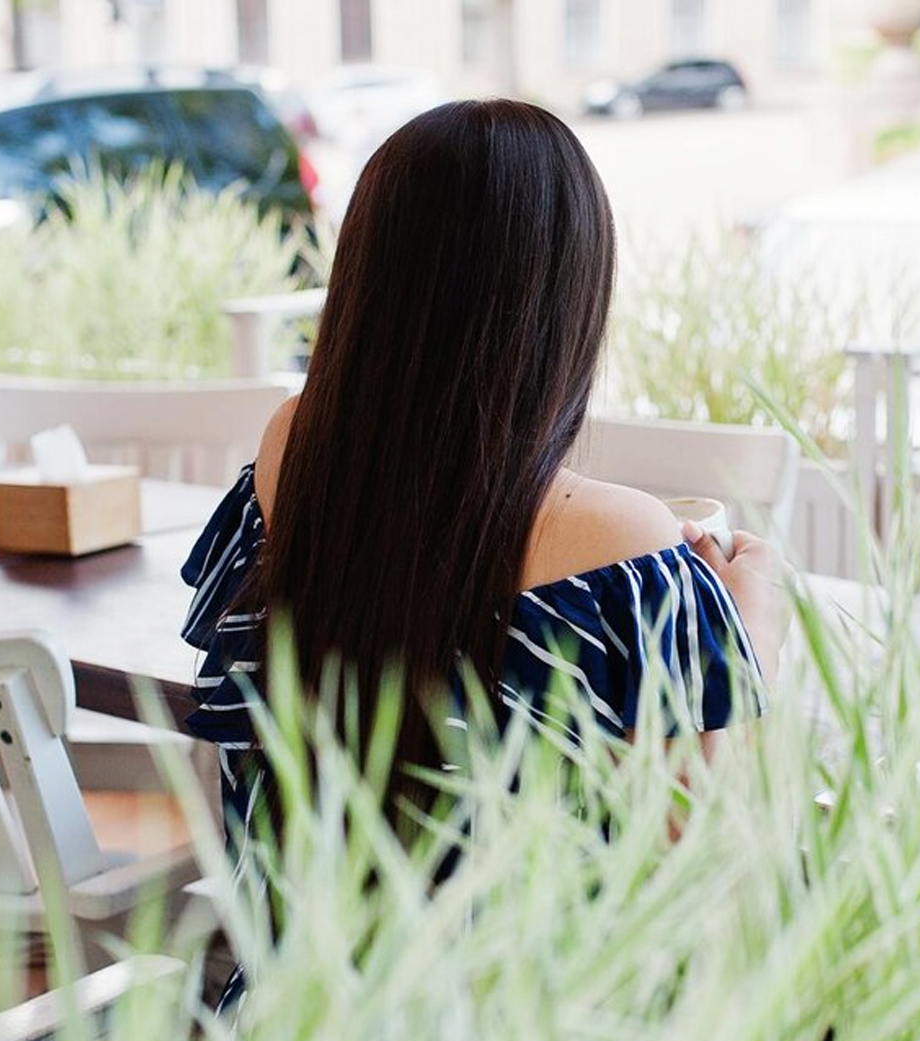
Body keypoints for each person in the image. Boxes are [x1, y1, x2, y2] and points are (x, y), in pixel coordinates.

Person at [177, 99, 785, 831]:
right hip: (513, 951)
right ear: (566, 299)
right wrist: (750, 634)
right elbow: (700, 839)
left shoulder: (294, 444)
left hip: (294, 945)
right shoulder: (623, 541)